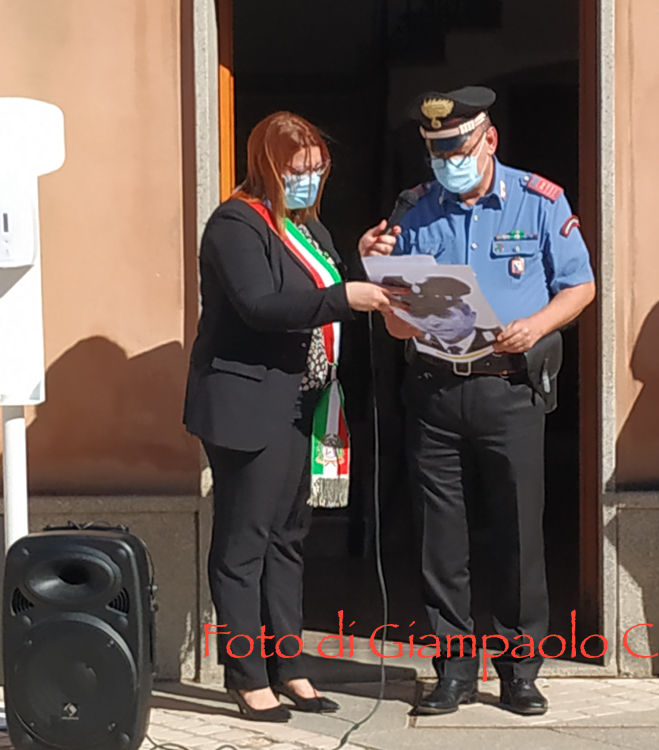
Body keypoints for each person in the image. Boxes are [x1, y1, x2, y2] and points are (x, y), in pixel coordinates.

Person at [359, 86, 595, 716]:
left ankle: (520, 669)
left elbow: (580, 286)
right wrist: (379, 280)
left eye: (457, 150)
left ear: (489, 140)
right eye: (437, 153)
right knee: (440, 538)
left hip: (508, 386)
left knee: (517, 530)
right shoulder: (412, 211)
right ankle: (454, 670)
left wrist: (538, 325)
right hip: (434, 388)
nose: (447, 163)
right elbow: (396, 323)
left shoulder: (538, 200)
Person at [183, 112, 398, 722]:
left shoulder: (307, 226)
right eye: (298, 170)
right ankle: (247, 677)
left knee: (288, 540)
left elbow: (318, 286)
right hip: (250, 405)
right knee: (244, 544)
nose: (310, 179)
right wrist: (345, 297)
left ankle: (289, 667)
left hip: (305, 403)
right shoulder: (236, 224)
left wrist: (356, 262)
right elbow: (261, 305)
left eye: (318, 169)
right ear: (267, 167)